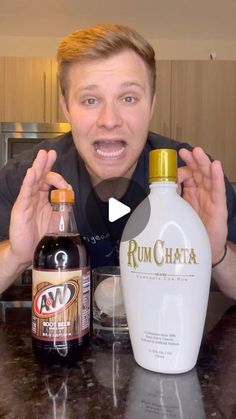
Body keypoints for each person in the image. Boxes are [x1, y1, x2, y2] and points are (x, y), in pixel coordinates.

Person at [0, 23, 235, 297]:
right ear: (66, 107)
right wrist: (16, 256)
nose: (109, 120)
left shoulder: (196, 178)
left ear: (152, 104)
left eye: (128, 98)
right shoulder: (27, 179)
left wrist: (216, 254)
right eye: (90, 100)